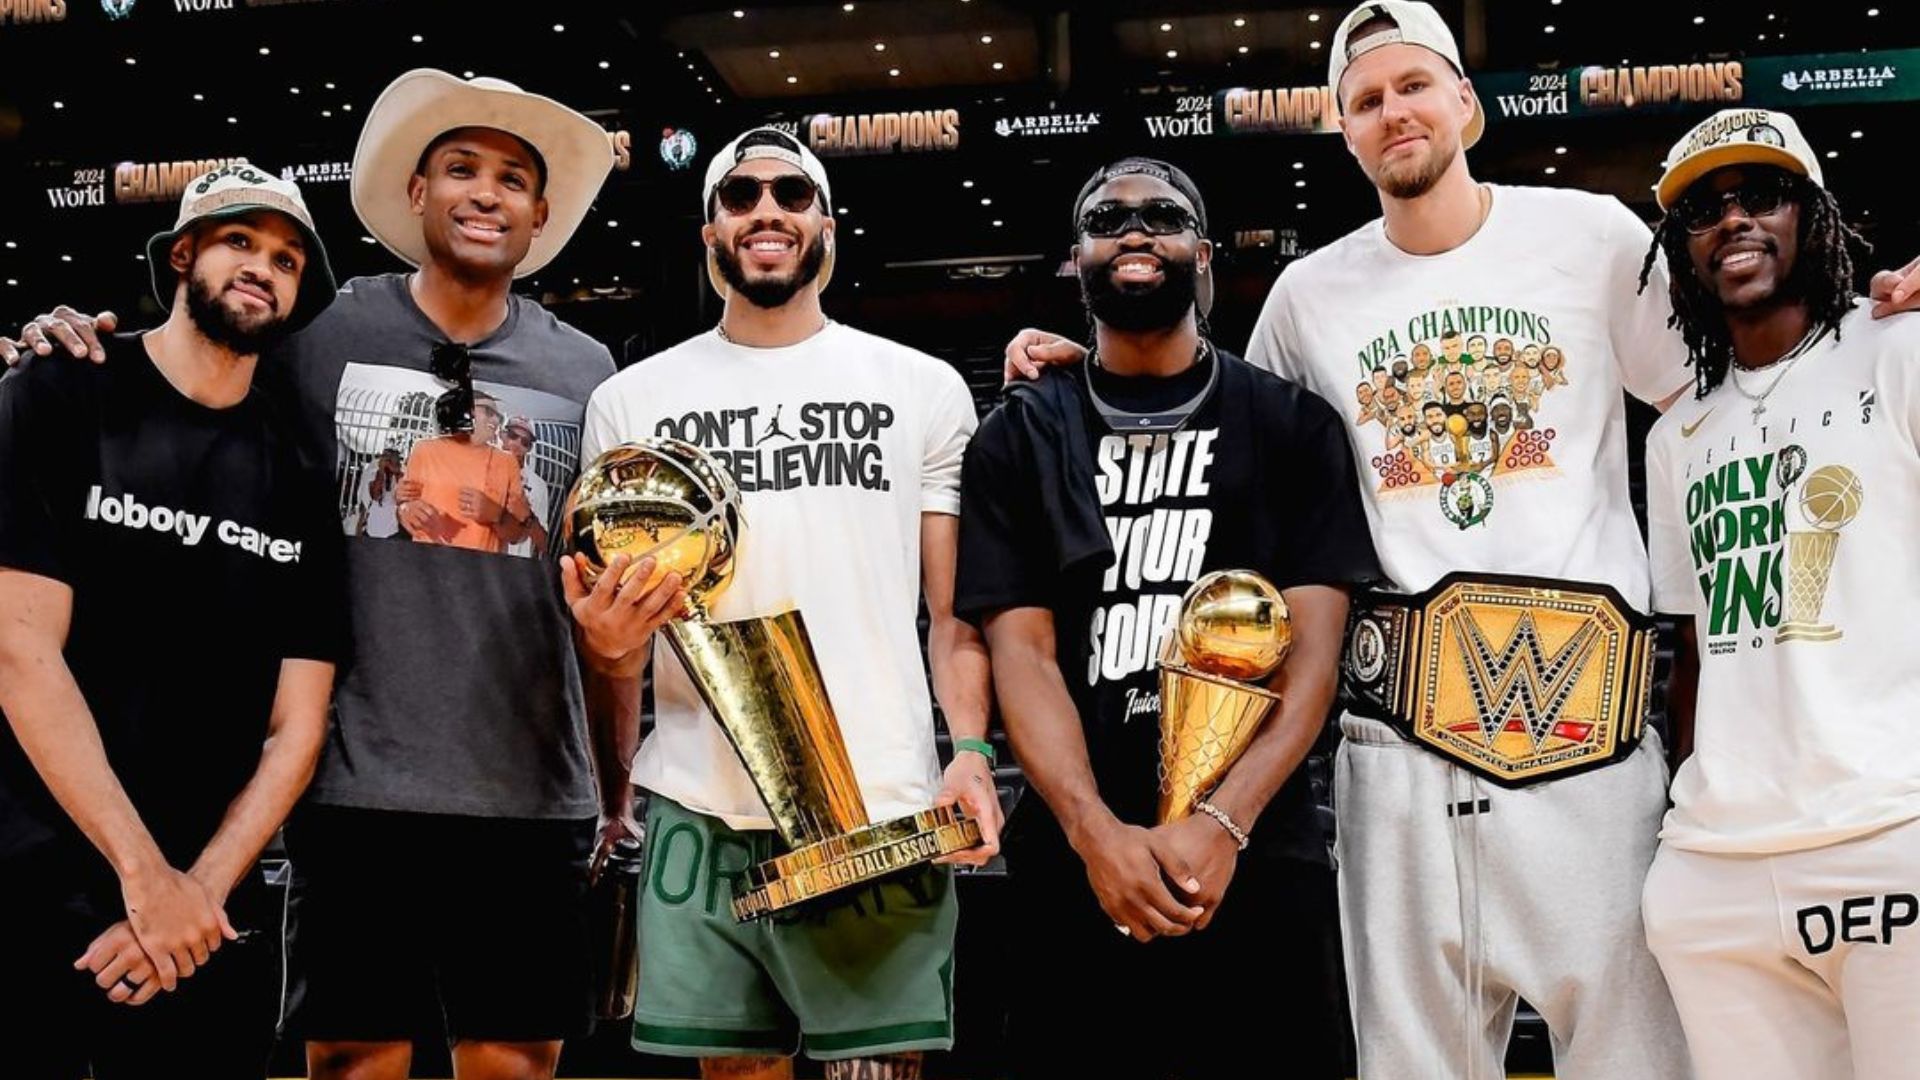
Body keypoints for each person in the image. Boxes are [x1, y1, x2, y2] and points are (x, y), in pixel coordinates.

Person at [5, 70, 627, 1080]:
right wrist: (67, 338)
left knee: (517, 1061)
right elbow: (196, 356)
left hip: (526, 785)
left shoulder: (589, 372)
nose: (485, 193)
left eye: (512, 178)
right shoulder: (320, 337)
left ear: (541, 215)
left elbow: (604, 597)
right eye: (459, 168)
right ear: (414, 194)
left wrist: (615, 774)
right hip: (353, 786)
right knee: (348, 1061)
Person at [566, 126, 1003, 1080]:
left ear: (827, 228)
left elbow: (954, 616)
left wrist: (968, 751)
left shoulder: (921, 389)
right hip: (698, 801)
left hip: (875, 801)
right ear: (709, 232)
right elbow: (620, 642)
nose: (767, 212)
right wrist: (602, 651)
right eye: (742, 197)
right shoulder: (632, 401)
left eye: (792, 195)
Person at [956, 156, 1378, 1078]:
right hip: (1076, 863)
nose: (1136, 231)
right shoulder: (1017, 435)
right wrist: (1096, 835)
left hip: (1260, 858)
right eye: (1108, 218)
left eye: (1163, 215)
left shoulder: (1293, 428)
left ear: (1204, 254)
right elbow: (1022, 656)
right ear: (1078, 259)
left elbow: (1311, 662)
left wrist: (1223, 826)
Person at [0, 165, 343, 1079]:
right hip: (35, 885)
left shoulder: (303, 468)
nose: (263, 268)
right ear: (183, 254)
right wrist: (143, 877)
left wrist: (194, 893)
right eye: (240, 241)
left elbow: (297, 725)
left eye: (286, 258)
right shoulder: (58, 393)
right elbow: (22, 653)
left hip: (207, 914)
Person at [1639, 108, 1920, 1080]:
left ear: (1814, 216)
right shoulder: (1675, 437)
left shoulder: (1898, 352)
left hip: (1888, 830)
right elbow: (1692, 648)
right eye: (1705, 211)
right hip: (1715, 871)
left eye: (1761, 197)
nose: (1734, 222)